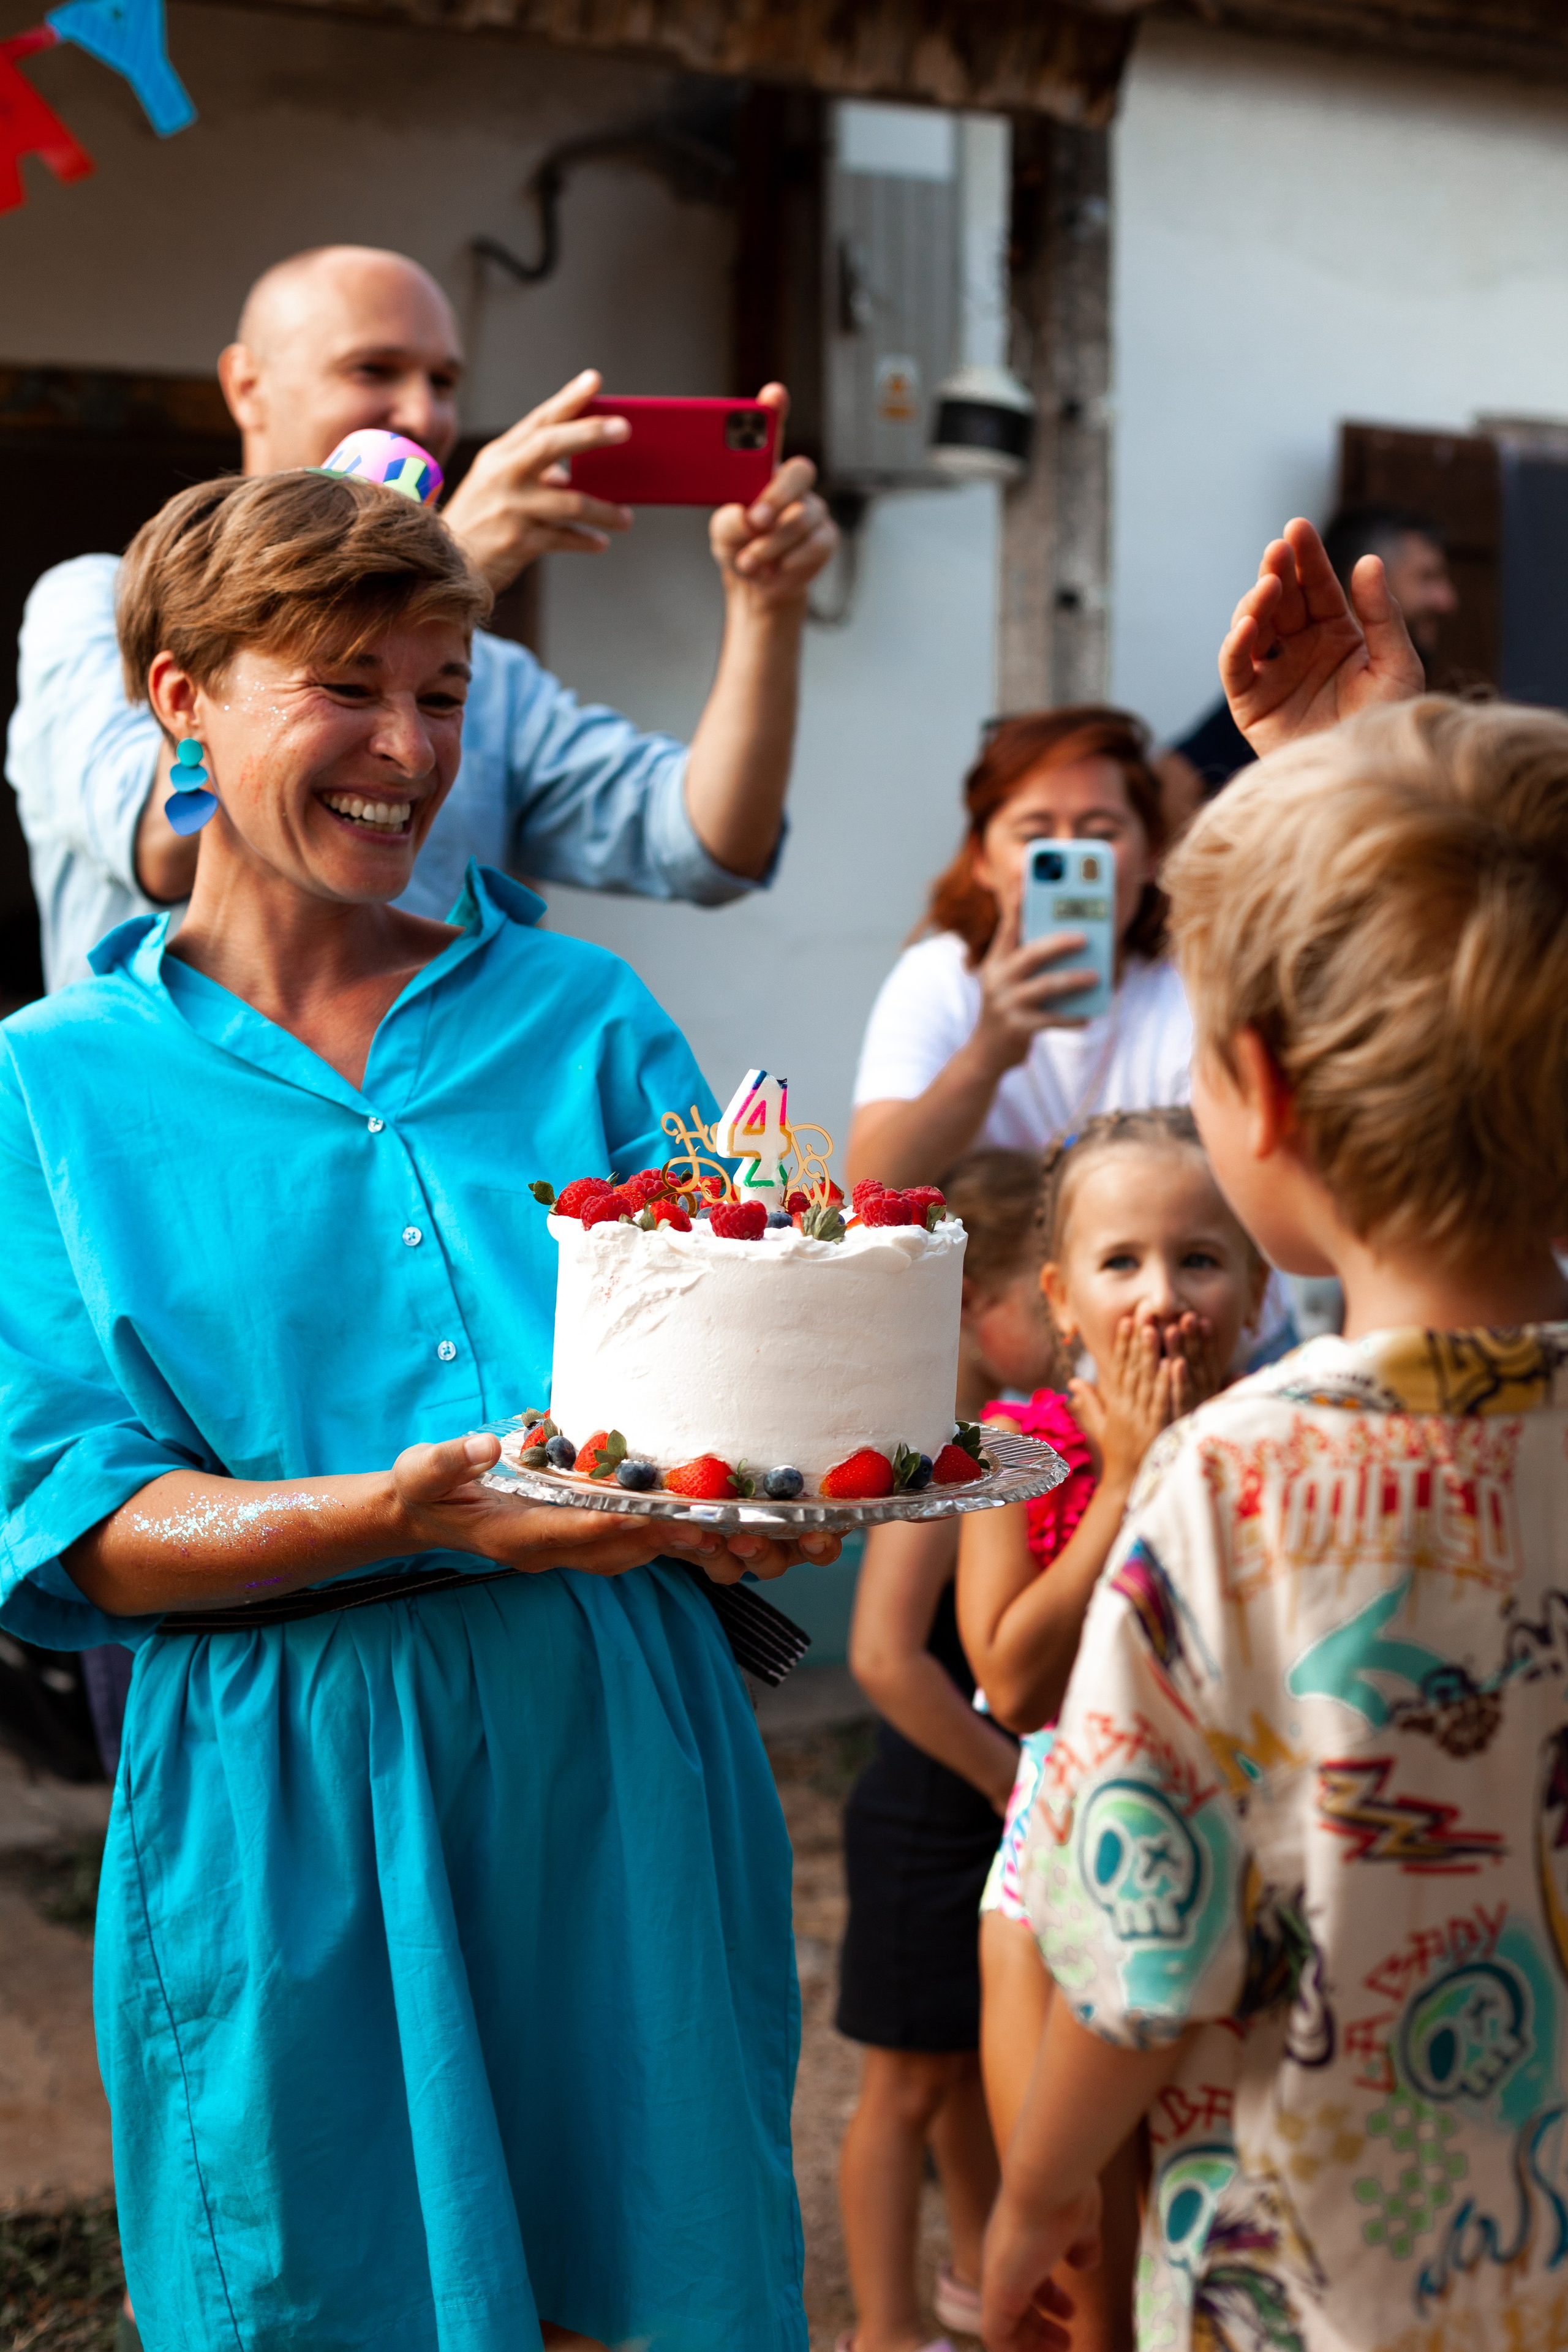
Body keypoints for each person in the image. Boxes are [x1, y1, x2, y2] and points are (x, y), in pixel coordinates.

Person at [0, 463, 842, 2352]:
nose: (409, 750)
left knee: (648, 2279)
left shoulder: (589, 1017)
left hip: (615, 1741)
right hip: (280, 1782)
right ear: (181, 696)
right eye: (347, 686)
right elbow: (84, 1528)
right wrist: (396, 1511)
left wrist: (763, 1504)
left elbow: (731, 1386)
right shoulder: (48, 1086)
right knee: (327, 2293)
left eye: (443, 693)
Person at [979, 696, 1568, 2352]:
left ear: (1260, 1092)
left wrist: (1036, 2197)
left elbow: (1142, 1951)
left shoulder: (1229, 1480)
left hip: (1308, 2288)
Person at [7, 242, 839, 991]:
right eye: (374, 370)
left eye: (443, 382)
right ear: (247, 387)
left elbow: (706, 847)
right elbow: (164, 849)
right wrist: (444, 563)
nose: (423, 414)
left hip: (416, 1101)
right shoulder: (90, 603)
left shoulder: (495, 679)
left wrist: (766, 606)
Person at [957, 1111, 1267, 2352]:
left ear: (1257, 1288)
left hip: (1244, 1886)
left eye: (1200, 1259)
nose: (1161, 1297)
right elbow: (1012, 1681)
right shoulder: (1015, 1454)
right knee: (1084, 2272)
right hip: (1055, 1884)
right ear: (1060, 1297)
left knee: (1222, 2265)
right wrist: (1126, 1480)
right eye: (1120, 1262)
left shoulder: (1284, 1447)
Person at [835, 1151, 1056, 2352]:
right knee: (904, 2090)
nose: (1070, 1327)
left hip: (970, 1809)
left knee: (969, 2067)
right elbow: (882, 1657)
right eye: (1045, 1297)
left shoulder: (996, 1438)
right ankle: (883, 2326)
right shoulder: (944, 1447)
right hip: (929, 1819)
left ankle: (975, 2280)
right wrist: (1009, 1780)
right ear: (976, 1305)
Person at [847, 710, 1188, 1195]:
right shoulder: (941, 978)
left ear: (1151, 854)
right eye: (1035, 836)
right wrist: (985, 1056)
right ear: (982, 859)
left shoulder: (1193, 982)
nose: (1068, 856)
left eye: (1100, 834)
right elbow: (874, 1185)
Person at [1162, 502, 1456, 816]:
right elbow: (1170, 783)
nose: (1448, 600)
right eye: (1427, 578)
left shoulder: (1433, 714)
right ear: (1364, 584)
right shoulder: (1286, 694)